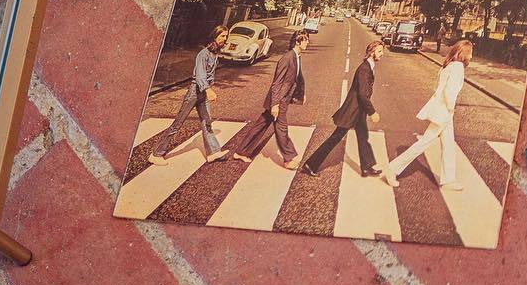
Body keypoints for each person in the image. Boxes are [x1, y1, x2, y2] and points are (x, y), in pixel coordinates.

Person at [382, 38, 474, 192]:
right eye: (470, 53)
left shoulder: (449, 65)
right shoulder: (458, 67)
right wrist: (451, 108)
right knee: (424, 143)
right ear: (464, 53)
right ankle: (393, 168)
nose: (471, 56)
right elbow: (449, 91)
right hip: (445, 111)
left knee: (448, 144)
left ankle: (448, 179)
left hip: (442, 109)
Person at [227, 29, 310, 170]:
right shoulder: (287, 58)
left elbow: (297, 78)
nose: (308, 42)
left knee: (261, 125)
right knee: (282, 129)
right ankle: (288, 159)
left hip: (283, 98)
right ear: (298, 41)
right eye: (305, 39)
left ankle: (241, 152)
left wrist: (301, 94)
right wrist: (275, 104)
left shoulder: (297, 56)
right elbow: (277, 83)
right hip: (279, 100)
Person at [303, 39, 385, 178]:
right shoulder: (364, 69)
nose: (382, 54)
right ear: (371, 52)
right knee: (335, 137)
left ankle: (367, 167)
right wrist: (372, 112)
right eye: (379, 51)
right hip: (352, 110)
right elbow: (362, 94)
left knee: (363, 137)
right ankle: (310, 164)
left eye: (382, 51)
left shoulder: (369, 66)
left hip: (359, 110)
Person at [151, 27, 229, 163]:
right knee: (178, 124)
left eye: (226, 36)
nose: (225, 39)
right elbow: (200, 75)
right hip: (195, 92)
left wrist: (208, 88)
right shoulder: (203, 54)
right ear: (214, 36)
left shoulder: (214, 54)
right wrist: (208, 90)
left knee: (207, 122)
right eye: (222, 36)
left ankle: (213, 152)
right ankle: (156, 154)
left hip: (203, 93)